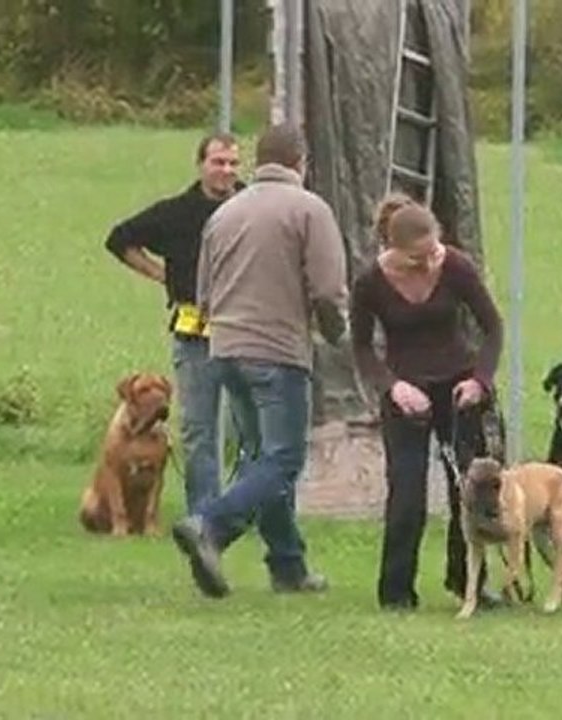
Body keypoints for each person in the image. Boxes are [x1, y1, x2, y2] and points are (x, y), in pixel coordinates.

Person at [171, 123, 349, 598]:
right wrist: (335, 334)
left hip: (223, 348)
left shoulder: (226, 213)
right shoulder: (310, 209)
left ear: (257, 162)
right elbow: (329, 291)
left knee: (260, 459)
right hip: (277, 351)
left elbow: (202, 289)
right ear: (301, 162)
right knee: (284, 458)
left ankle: (288, 565)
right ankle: (209, 524)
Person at [350, 198, 505, 611]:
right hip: (406, 395)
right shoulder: (370, 283)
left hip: (458, 390)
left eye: (435, 249)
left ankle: (468, 581)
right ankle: (397, 591)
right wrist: (393, 386)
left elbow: (493, 328)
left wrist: (480, 381)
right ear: (396, 249)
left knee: (467, 492)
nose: (431, 259)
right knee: (407, 492)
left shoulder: (455, 266)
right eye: (421, 256)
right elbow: (362, 348)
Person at [105, 132, 243, 515]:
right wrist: (158, 274)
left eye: (233, 163)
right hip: (194, 331)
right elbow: (119, 239)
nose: (226, 170)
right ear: (201, 165)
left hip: (247, 331)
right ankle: (204, 515)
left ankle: (250, 508)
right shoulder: (176, 212)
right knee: (199, 430)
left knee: (253, 429)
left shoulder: (252, 205)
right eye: (218, 162)